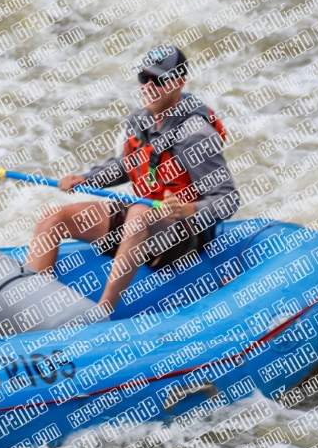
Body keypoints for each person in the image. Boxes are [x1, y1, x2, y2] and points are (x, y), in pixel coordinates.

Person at [24, 45, 240, 315]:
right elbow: (129, 165)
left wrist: (187, 210)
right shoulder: (140, 119)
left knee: (138, 213)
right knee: (53, 218)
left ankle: (101, 314)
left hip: (182, 232)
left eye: (159, 80)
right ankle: (29, 311)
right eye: (143, 78)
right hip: (142, 218)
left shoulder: (195, 134)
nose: (148, 86)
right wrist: (86, 178)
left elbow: (228, 199)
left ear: (180, 82)